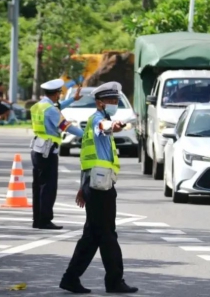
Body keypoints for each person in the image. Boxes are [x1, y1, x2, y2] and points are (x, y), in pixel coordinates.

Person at [59, 81, 138, 294]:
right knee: (107, 235)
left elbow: (88, 158)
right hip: (100, 189)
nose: (113, 104)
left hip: (95, 185)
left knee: (92, 237)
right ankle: (114, 281)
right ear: (99, 102)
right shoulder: (98, 120)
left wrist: (82, 187)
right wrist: (114, 126)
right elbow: (104, 128)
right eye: (110, 101)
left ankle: (71, 278)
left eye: (115, 101)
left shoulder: (101, 119)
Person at [30, 79, 84, 230]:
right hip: (48, 151)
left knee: (38, 186)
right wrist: (87, 134)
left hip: (37, 148)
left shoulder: (38, 106)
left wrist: (73, 99)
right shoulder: (51, 110)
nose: (60, 95)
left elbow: (58, 107)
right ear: (56, 94)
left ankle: (38, 219)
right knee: (49, 187)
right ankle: (45, 220)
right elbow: (66, 126)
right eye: (60, 92)